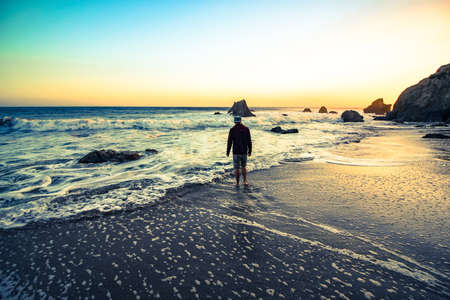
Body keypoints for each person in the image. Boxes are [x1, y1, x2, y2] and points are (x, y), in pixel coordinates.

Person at [226, 115, 252, 186]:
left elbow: (229, 141)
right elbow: (249, 140)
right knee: (243, 167)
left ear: (234, 121)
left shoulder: (232, 129)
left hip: (236, 152)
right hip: (244, 151)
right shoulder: (246, 129)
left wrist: (228, 151)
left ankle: (237, 183)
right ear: (240, 121)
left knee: (237, 168)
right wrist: (250, 150)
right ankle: (245, 181)